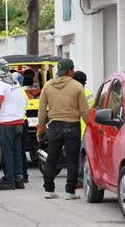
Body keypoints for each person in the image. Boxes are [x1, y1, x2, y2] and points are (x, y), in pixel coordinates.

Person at [37, 59, 89, 200]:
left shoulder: (47, 86)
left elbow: (41, 110)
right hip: (72, 126)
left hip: (54, 127)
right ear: (70, 70)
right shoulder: (77, 86)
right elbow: (84, 111)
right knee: (72, 161)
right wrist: (90, 126)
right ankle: (70, 191)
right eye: (73, 69)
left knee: (52, 160)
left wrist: (41, 129)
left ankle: (49, 190)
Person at [0, 59, 28, 190]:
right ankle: (19, 178)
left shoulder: (0, 85)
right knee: (17, 151)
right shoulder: (15, 82)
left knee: (7, 152)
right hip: (19, 122)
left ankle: (9, 179)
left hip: (6, 124)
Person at [73, 71, 95, 187]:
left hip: (78, 128)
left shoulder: (76, 92)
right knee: (84, 156)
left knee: (78, 157)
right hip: (87, 129)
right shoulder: (88, 93)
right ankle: (82, 179)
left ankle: (79, 180)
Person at [13, 72, 29, 183]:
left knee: (18, 150)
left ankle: (21, 175)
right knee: (20, 149)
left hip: (19, 122)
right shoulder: (21, 92)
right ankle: (23, 174)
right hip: (23, 121)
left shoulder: (18, 93)